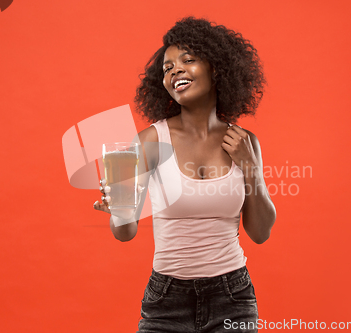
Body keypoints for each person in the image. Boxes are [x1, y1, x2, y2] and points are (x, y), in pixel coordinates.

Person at [93, 16, 276, 333]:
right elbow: (125, 232)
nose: (174, 70)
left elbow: (260, 233)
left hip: (232, 296)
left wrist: (250, 168)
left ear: (216, 69)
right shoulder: (151, 141)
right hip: (166, 299)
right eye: (167, 68)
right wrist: (118, 207)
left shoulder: (245, 143)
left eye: (187, 60)